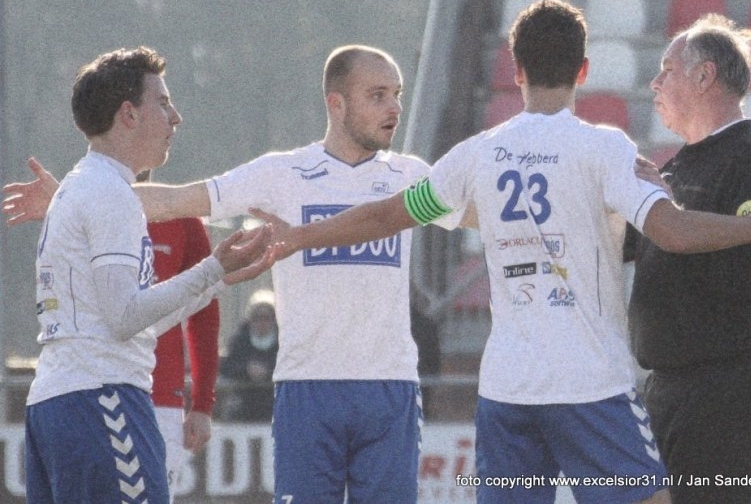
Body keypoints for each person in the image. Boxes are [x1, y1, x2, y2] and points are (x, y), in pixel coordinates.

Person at [256, 0, 751, 504]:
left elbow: (385, 214)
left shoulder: (477, 156)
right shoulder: (605, 148)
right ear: (583, 71)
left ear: (516, 71)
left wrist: (300, 236)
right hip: (589, 385)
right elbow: (672, 232)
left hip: (508, 390)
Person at [2, 44, 462, 503]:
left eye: (397, 94)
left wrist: (75, 199)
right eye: (378, 94)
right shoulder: (283, 173)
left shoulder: (412, 175)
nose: (395, 106)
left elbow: (479, 214)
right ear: (336, 103)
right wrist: (74, 196)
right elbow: (180, 200)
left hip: (390, 386)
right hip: (303, 389)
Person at [17, 46, 276, 504]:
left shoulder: (82, 186)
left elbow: (129, 320)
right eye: (162, 102)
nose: (175, 117)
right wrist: (213, 269)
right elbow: (124, 318)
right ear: (128, 115)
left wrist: (217, 279)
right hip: (103, 401)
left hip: (59, 403)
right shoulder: (111, 193)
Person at [625, 14, 751, 504]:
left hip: (728, 391)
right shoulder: (678, 163)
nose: (654, 82)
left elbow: (738, 281)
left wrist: (667, 209)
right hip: (669, 386)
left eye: (667, 69)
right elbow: (626, 243)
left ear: (704, 77)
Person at [142, 171, 221, 501]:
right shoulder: (81, 200)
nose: (173, 119)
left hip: (161, 398)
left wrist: (202, 404)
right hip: (90, 392)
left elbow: (204, 315)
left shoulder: (184, 216)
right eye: (162, 113)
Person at [219, 288, 279, 422]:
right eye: (257, 318)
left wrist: (268, 371)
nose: (262, 323)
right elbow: (226, 367)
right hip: (243, 404)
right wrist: (246, 370)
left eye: (267, 318)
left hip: (273, 406)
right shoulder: (240, 339)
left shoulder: (282, 341)